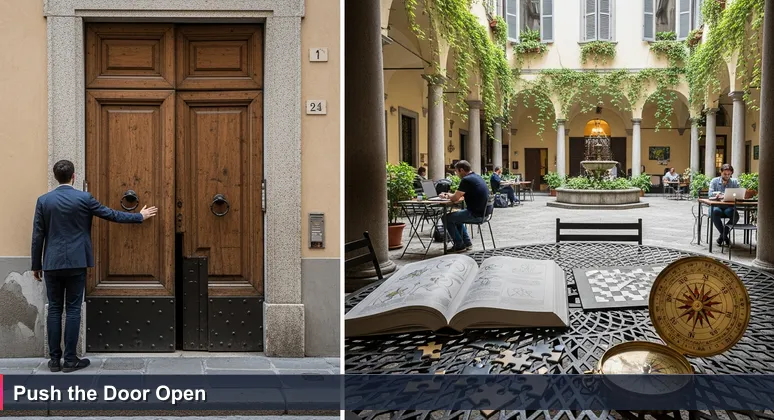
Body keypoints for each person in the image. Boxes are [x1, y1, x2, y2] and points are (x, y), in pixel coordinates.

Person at [31, 160, 158, 373]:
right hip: (77, 261)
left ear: (56, 177)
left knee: (54, 309)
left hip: (51, 263)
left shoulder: (44, 201)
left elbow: (38, 235)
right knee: (72, 309)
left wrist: (36, 264)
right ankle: (70, 360)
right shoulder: (84, 198)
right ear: (73, 176)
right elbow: (111, 214)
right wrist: (139, 216)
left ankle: (54, 361)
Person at [439, 160, 489, 253]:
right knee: (456, 217)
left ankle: (459, 245)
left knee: (446, 218)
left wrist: (447, 195)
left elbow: (454, 198)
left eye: (456, 171)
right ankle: (467, 243)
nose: (456, 174)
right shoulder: (477, 177)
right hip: (484, 213)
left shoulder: (466, 180)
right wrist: (452, 195)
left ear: (461, 170)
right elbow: (460, 195)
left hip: (475, 214)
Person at [708, 163, 740, 246]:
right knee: (715, 212)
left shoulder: (734, 182)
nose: (727, 176)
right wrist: (718, 195)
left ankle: (722, 236)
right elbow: (710, 194)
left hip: (728, 207)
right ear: (721, 172)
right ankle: (725, 237)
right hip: (716, 206)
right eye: (725, 174)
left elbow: (738, 194)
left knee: (735, 215)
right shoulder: (714, 181)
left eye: (729, 174)